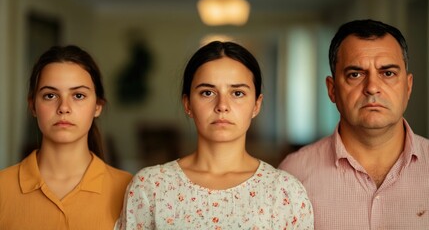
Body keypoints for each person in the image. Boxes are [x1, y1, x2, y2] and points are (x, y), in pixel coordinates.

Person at [116, 41, 314, 229]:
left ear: (256, 105)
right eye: (207, 93)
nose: (222, 106)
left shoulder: (286, 192)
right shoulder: (151, 187)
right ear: (187, 104)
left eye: (237, 93)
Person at [279, 19, 429, 229]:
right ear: (332, 89)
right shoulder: (293, 176)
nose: (372, 87)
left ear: (408, 86)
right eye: (355, 74)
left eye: (388, 73)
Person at [0, 45, 132, 229]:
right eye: (50, 95)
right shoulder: (3, 188)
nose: (64, 107)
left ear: (97, 106)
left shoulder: (130, 189)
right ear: (32, 106)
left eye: (78, 95)